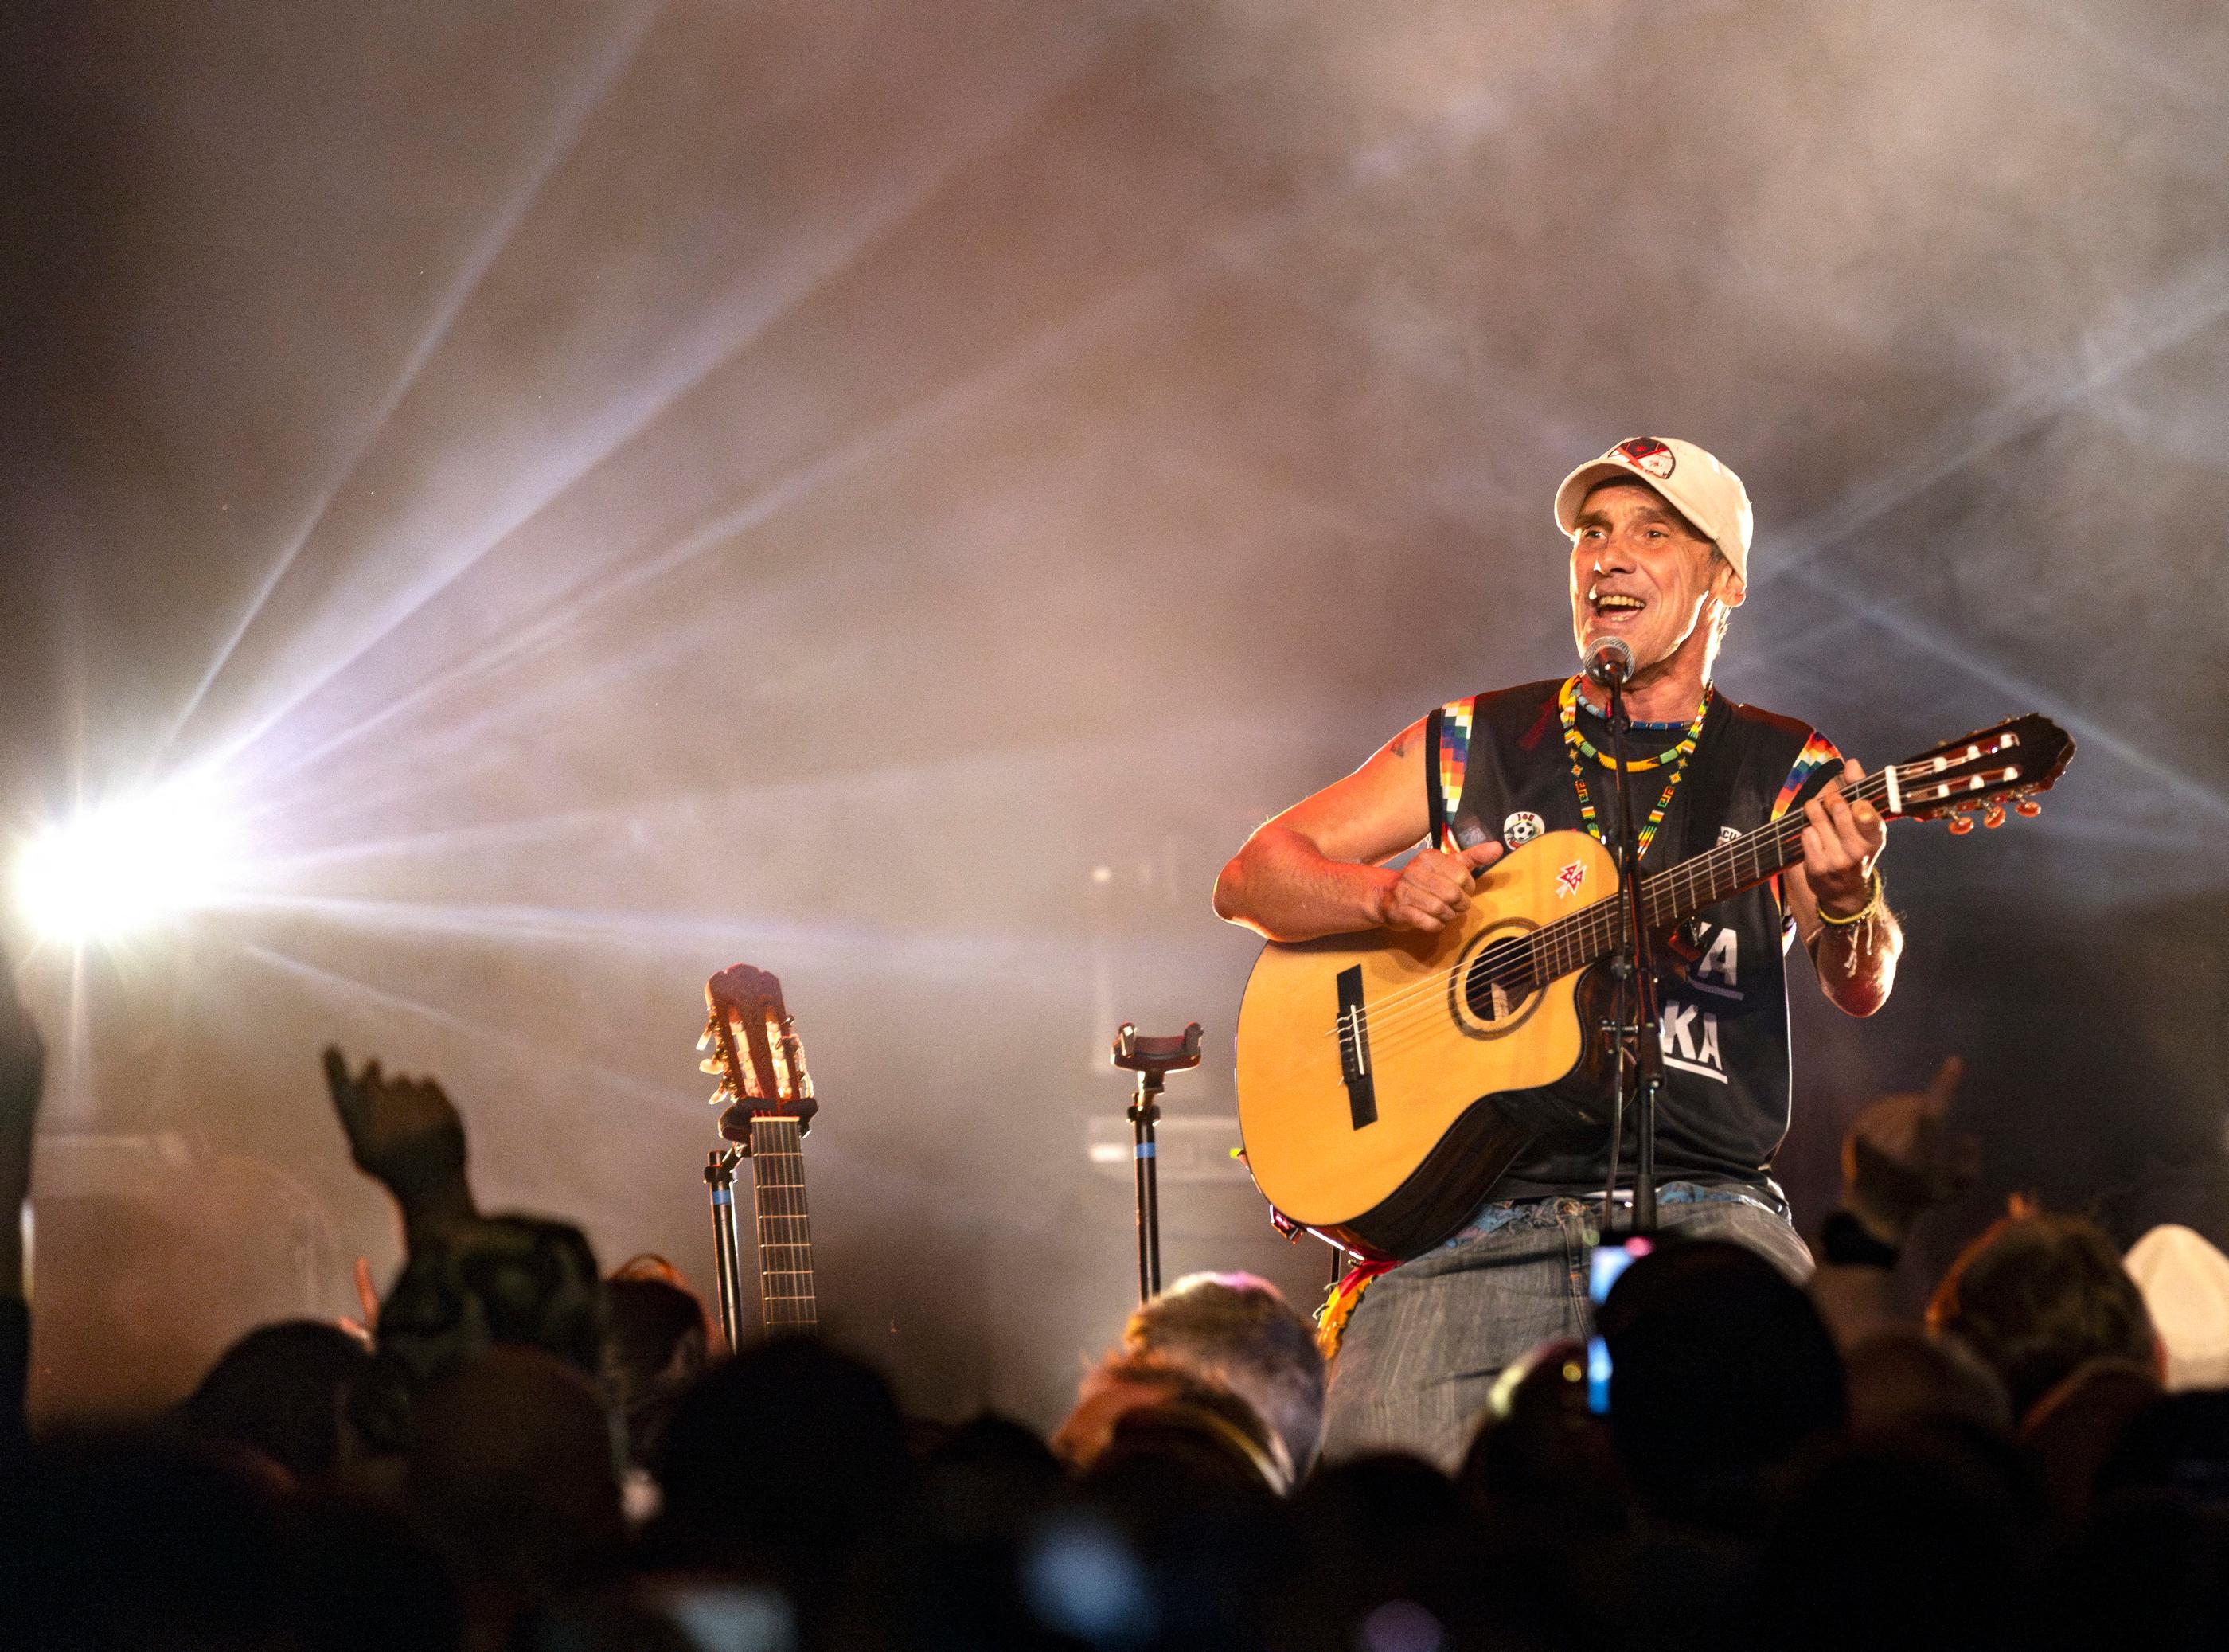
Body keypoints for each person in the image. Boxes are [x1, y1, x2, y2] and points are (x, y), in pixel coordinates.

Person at [1213, 436, 1902, 1466]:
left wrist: (1849, 902)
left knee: (1782, 1470)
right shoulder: (1475, 740)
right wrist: (1388, 893)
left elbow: (1862, 980)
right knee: (1377, 1506)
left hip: (1707, 1210)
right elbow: (1253, 876)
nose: (1608, 558)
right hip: (1471, 1225)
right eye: (1592, 534)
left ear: (1725, 581)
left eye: (1652, 533)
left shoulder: (1786, 767)